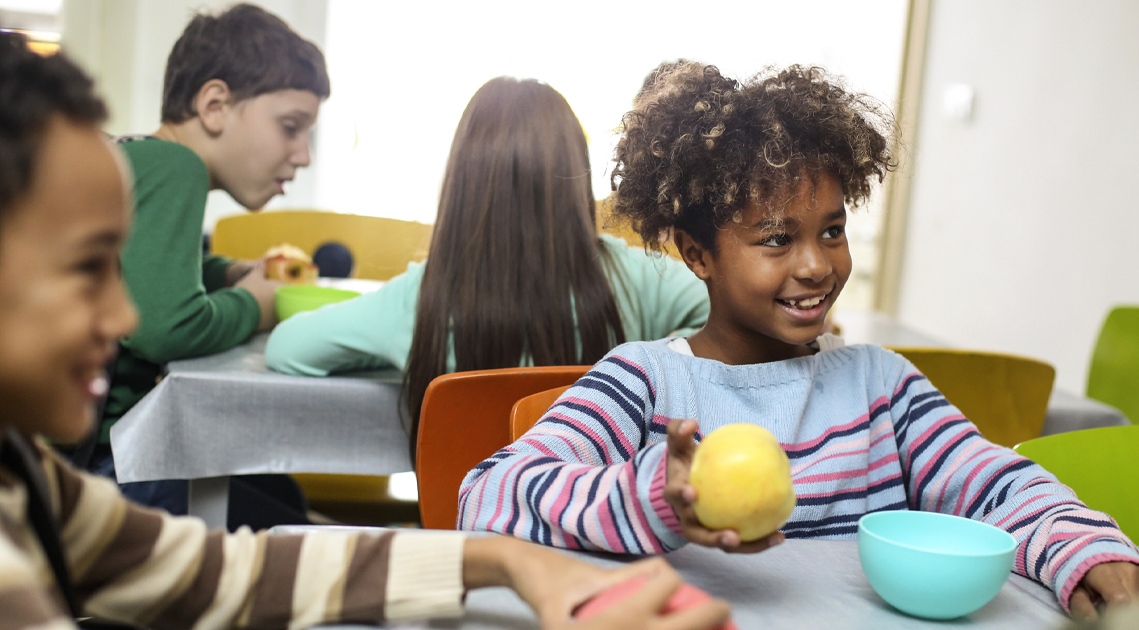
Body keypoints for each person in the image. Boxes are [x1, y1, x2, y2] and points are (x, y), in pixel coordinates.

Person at [0, 33, 731, 630]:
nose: (127, 316)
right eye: (87, 265)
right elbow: (718, 325)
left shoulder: (38, 494)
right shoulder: (641, 278)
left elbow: (222, 570)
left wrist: (506, 561)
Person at [457, 64, 1139, 621]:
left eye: (832, 230)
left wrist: (1087, 549)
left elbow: (997, 485)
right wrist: (657, 498)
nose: (816, 265)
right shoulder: (643, 384)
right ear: (696, 253)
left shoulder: (881, 388)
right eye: (776, 239)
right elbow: (486, 499)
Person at [265, 77, 710, 456]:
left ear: (462, 180)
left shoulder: (420, 298)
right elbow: (728, 322)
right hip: (602, 539)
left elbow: (288, 348)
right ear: (576, 174)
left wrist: (381, 349)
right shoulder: (639, 279)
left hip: (465, 540)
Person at [86, 3, 328, 526]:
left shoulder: (136, 156)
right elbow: (165, 328)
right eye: (291, 127)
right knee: (281, 518)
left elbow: (141, 267)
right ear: (215, 105)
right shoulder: (178, 168)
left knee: (275, 492)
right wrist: (257, 306)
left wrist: (226, 272)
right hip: (94, 471)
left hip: (92, 460)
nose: (303, 154)